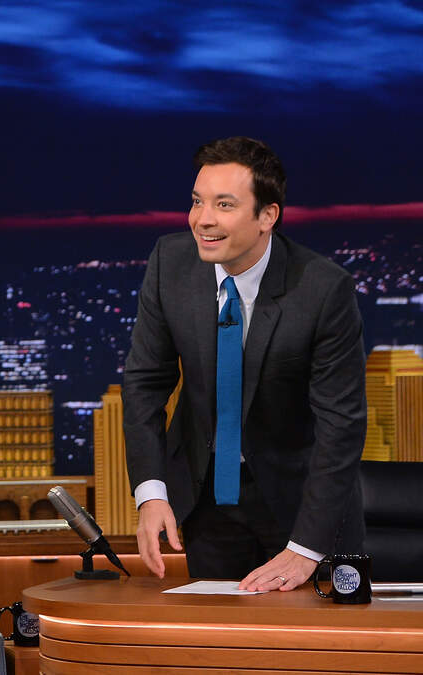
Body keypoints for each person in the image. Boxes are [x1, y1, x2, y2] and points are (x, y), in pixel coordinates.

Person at [123, 136, 366, 592]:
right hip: (207, 499)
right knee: (220, 632)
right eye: (197, 201)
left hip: (302, 503)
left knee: (309, 636)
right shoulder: (169, 264)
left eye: (224, 205)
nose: (203, 219)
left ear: (267, 216)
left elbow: (342, 424)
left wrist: (306, 548)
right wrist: (151, 494)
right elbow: (144, 384)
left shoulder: (323, 290)